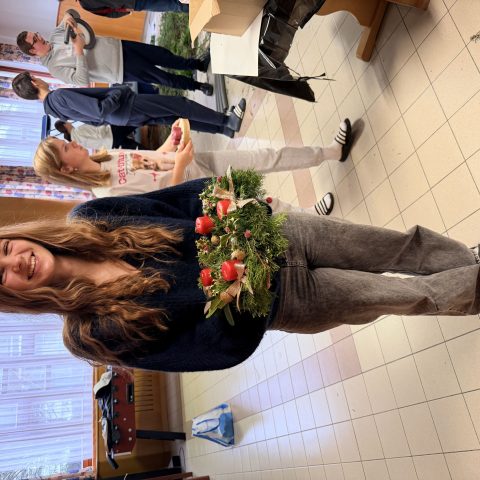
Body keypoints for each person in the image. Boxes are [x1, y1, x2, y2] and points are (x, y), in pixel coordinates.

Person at [0, 182, 478, 372]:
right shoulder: (90, 333)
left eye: (4, 250)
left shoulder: (90, 218)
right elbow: (213, 351)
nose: (16, 262)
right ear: (11, 297)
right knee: (411, 295)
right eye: (2, 276)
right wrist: (242, 288)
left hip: (283, 234)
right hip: (289, 299)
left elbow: (182, 201)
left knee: (401, 246)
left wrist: (230, 199)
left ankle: (468, 266)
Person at [34, 118, 353, 214]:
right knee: (265, 206)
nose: (73, 142)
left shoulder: (105, 154)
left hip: (197, 162)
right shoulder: (105, 195)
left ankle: (331, 151)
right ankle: (310, 216)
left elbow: (153, 157)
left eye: (66, 141)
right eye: (66, 148)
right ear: (66, 170)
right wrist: (180, 165)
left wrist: (171, 141)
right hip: (199, 191)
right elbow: (165, 201)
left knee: (266, 157)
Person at [16, 10, 213, 95]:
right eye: (35, 40)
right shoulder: (54, 68)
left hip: (119, 46)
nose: (39, 37)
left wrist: (69, 17)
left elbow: (72, 14)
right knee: (162, 77)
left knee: (162, 54)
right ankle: (197, 86)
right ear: (33, 50)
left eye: (36, 34)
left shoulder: (54, 35)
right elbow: (81, 80)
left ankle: (197, 64)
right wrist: (78, 51)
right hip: (120, 68)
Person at [11, 72, 245, 137]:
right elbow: (98, 110)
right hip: (126, 107)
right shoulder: (58, 97)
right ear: (34, 82)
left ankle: (221, 129)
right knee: (180, 105)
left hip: (122, 117)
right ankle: (227, 121)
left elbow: (94, 119)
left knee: (176, 118)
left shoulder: (54, 110)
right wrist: (119, 91)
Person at [54, 120, 145, 150]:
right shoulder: (78, 130)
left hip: (110, 146)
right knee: (136, 120)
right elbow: (100, 133)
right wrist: (105, 122)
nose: (69, 122)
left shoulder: (75, 142)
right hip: (112, 133)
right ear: (65, 125)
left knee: (139, 149)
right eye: (67, 122)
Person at [75, 0, 189, 16]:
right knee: (174, 6)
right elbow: (108, 12)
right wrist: (125, 11)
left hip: (133, 4)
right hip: (134, 4)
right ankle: (197, 12)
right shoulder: (85, 5)